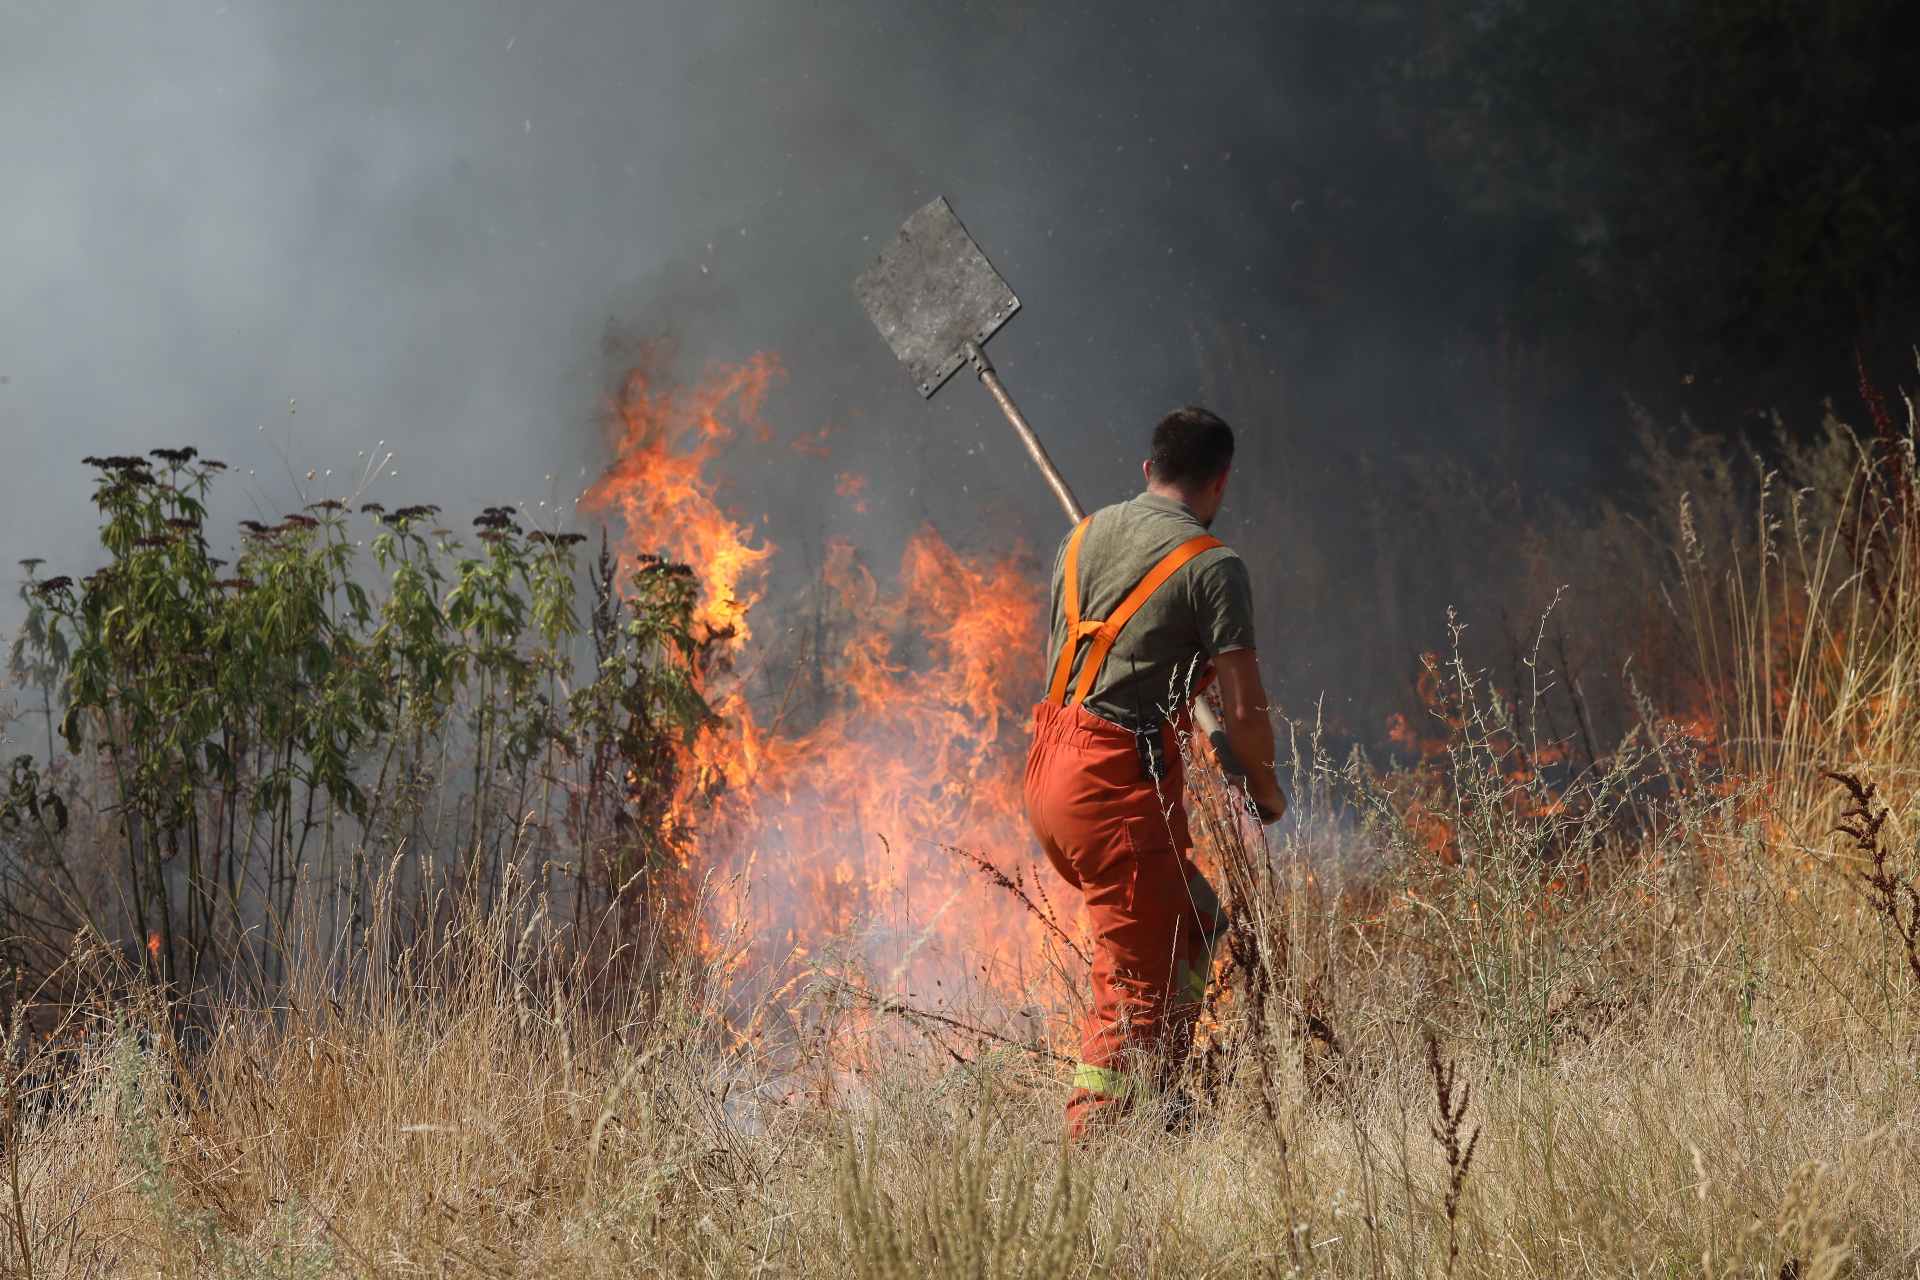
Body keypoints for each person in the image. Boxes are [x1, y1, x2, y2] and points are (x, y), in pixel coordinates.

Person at [1023, 406, 1287, 1138]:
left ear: (1149, 471)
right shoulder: (1213, 564)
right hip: (1112, 787)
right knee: (1133, 986)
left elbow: (1112, 659)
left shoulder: (1082, 536)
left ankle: (1158, 1103)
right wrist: (1263, 788)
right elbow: (1246, 713)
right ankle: (1094, 1167)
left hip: (1050, 772)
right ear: (1221, 481)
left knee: (1195, 922)